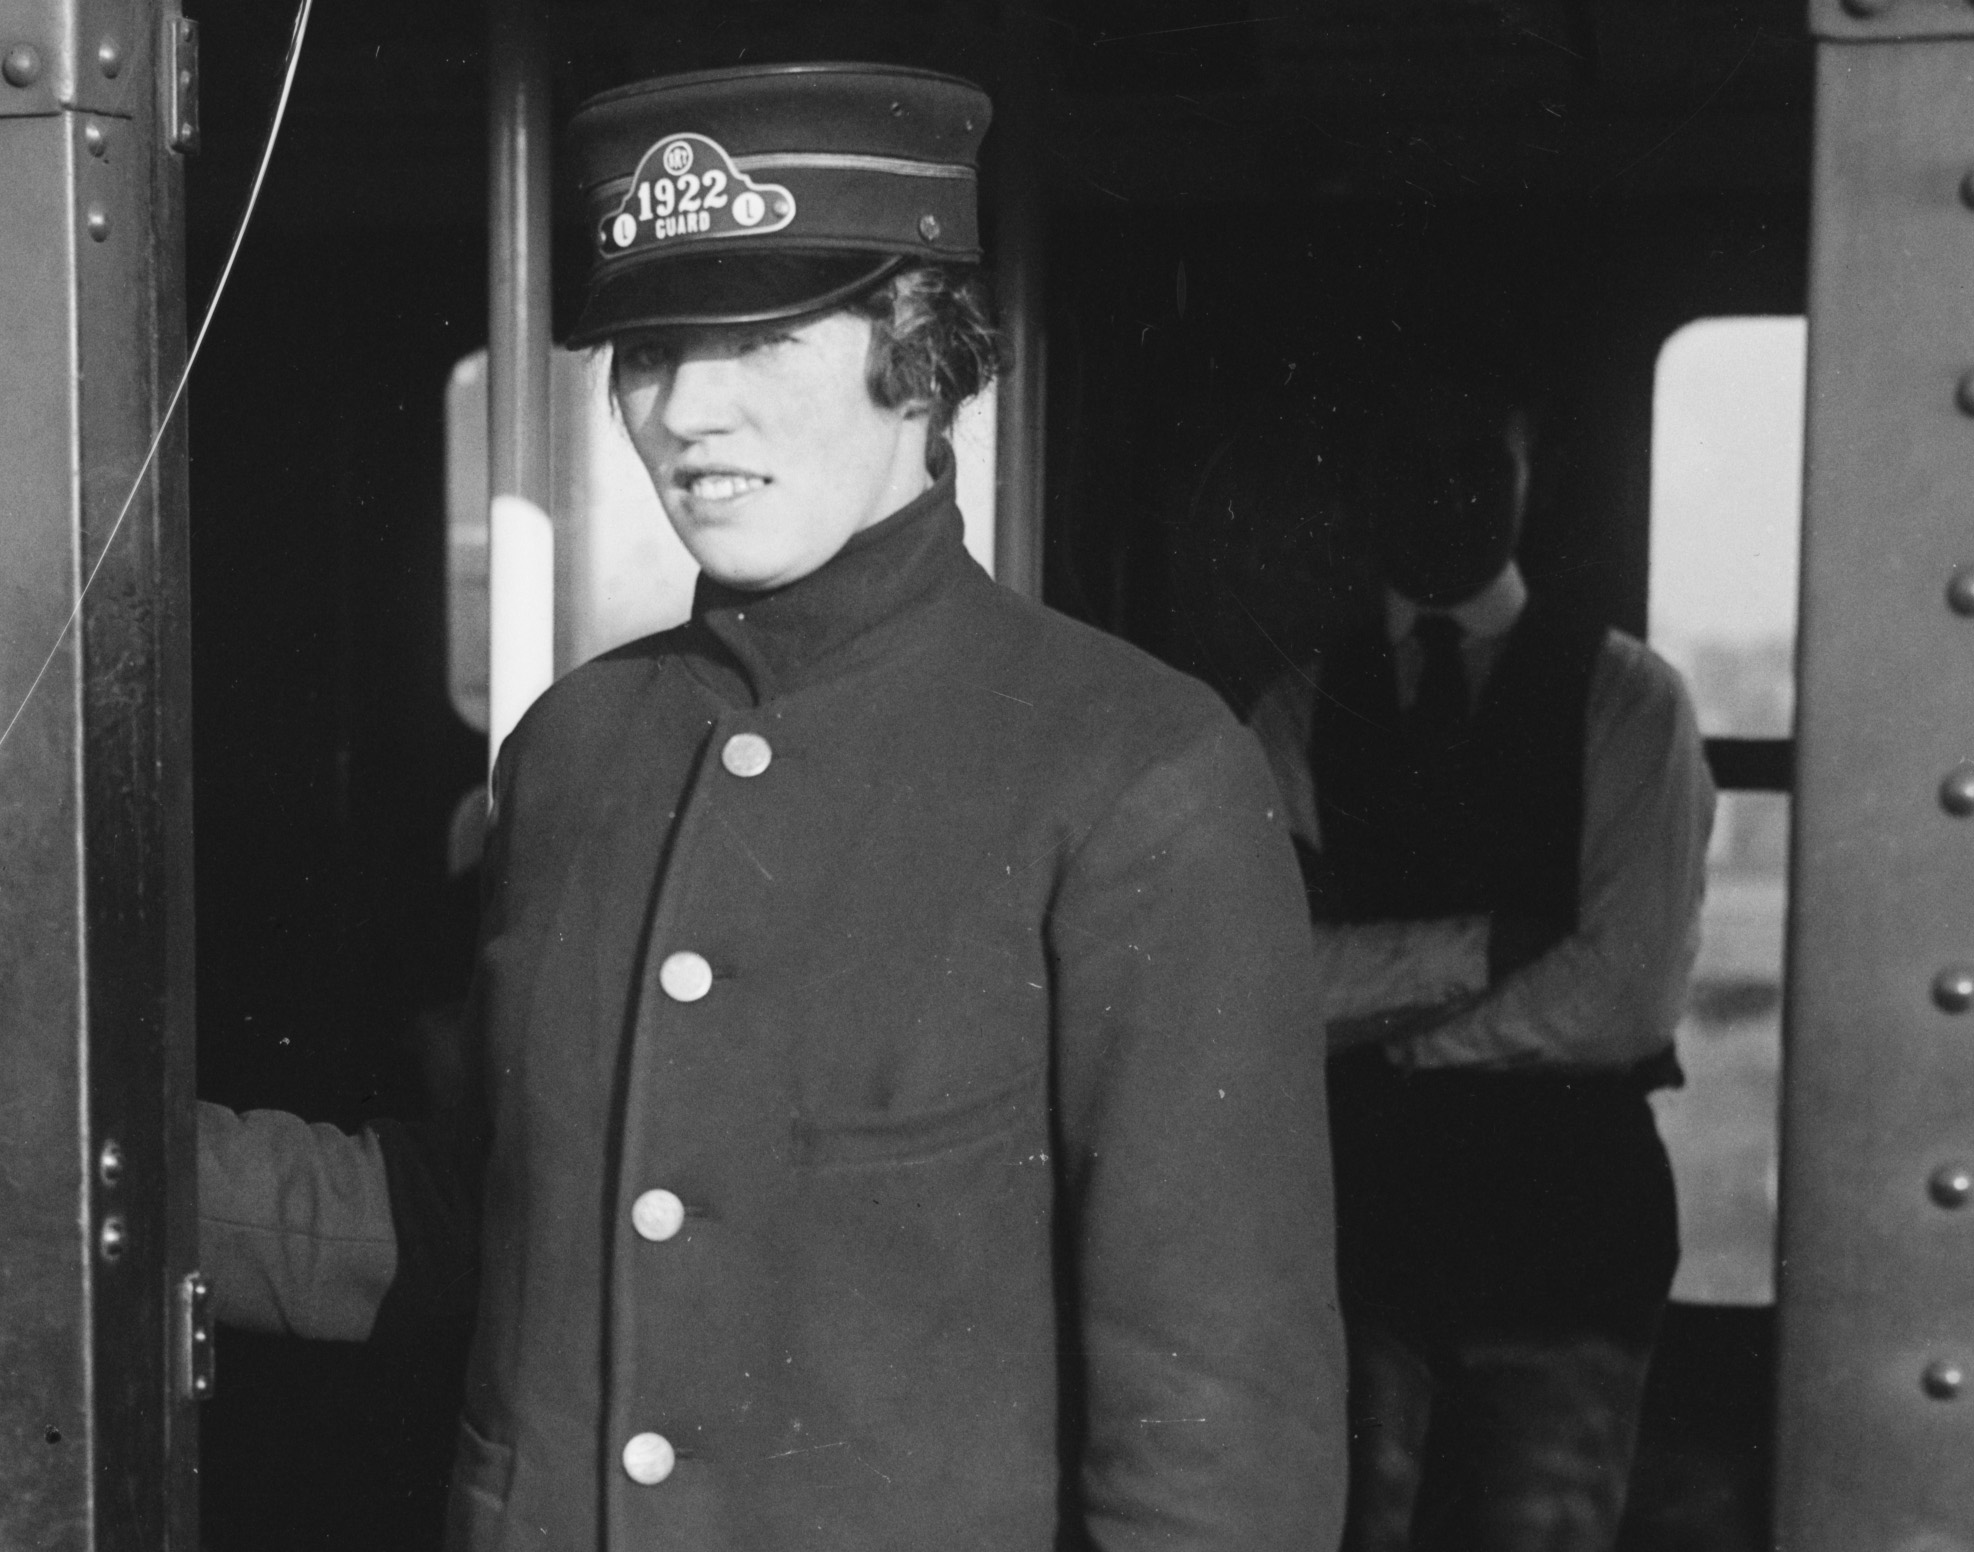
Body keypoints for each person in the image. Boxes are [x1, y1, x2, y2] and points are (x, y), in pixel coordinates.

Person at [198, 62, 1348, 1551]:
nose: (685, 408)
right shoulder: (573, 752)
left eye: (762, 336)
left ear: (920, 354)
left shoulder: (1138, 772)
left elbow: (1217, 1447)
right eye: (649, 349)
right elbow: (478, 1216)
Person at [1246, 374, 1714, 1552]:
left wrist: (1391, 1034)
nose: (1447, 495)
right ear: (1366, 488)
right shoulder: (1294, 706)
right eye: (1413, 463)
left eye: (1479, 464)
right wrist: (1487, 946)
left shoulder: (1633, 700)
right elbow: (1263, 984)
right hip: (1360, 1219)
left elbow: (1626, 992)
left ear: (1529, 474)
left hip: (1569, 1225)